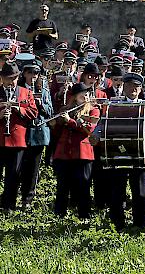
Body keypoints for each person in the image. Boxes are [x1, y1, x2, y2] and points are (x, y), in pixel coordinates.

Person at [97, 73, 145, 230]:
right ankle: (117, 223)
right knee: (117, 191)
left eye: (136, 86)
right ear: (123, 87)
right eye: (130, 86)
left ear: (140, 89)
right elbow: (103, 123)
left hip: (139, 153)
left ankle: (140, 224)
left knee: (139, 191)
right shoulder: (114, 103)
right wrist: (95, 135)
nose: (133, 89)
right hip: (117, 153)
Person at [51, 82, 99, 218]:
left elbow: (89, 130)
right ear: (75, 96)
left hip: (83, 153)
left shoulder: (93, 111)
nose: (86, 96)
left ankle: (84, 215)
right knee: (62, 185)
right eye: (82, 94)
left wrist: (70, 121)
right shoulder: (65, 109)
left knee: (83, 185)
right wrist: (56, 123)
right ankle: (59, 214)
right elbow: (56, 133)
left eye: (87, 94)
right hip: (64, 153)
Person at [0, 62, 38, 210]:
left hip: (17, 140)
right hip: (0, 139)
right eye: (8, 78)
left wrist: (19, 109)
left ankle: (9, 205)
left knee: (13, 175)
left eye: (14, 78)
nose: (11, 81)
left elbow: (33, 113)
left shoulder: (25, 92)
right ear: (2, 78)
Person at [18, 62, 53, 210]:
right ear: (24, 74)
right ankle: (15, 195)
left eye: (36, 73)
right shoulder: (19, 90)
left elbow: (50, 111)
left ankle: (28, 199)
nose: (33, 76)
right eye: (30, 73)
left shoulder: (43, 90)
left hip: (38, 133)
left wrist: (41, 104)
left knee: (33, 169)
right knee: (19, 167)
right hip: (22, 132)